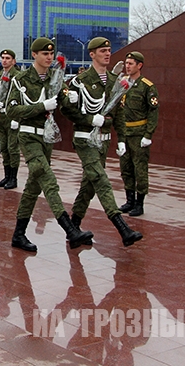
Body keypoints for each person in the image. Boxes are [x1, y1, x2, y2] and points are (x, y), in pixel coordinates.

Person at [6, 37, 92, 253]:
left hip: (47, 138)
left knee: (33, 187)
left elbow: (63, 101)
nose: (49, 57)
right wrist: (40, 106)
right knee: (49, 180)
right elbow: (12, 110)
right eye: (44, 54)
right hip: (28, 137)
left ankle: (18, 234)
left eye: (51, 54)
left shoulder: (55, 76)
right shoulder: (22, 78)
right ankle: (70, 230)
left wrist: (73, 98)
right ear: (34, 55)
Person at [63, 37, 142, 247]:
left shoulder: (114, 81)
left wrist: (122, 139)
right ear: (92, 54)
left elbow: (119, 113)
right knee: (100, 179)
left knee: (88, 186)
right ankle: (122, 228)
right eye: (102, 51)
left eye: (108, 50)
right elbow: (67, 110)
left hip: (104, 140)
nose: (107, 54)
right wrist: (90, 119)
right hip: (84, 139)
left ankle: (73, 227)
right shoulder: (81, 81)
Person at [114, 51, 159, 217]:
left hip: (139, 134)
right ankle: (129, 200)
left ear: (139, 65)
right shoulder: (122, 83)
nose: (127, 66)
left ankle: (140, 203)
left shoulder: (147, 86)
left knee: (140, 168)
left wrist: (148, 135)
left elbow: (153, 112)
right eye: (126, 63)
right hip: (124, 133)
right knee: (125, 168)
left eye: (131, 63)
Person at [0, 49, 21, 189]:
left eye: (8, 58)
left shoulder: (18, 76)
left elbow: (21, 97)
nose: (4, 60)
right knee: (3, 147)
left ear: (13, 61)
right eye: (3, 58)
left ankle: (13, 178)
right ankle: (6, 176)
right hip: (1, 116)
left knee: (12, 148)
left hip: (12, 117)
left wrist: (17, 117)